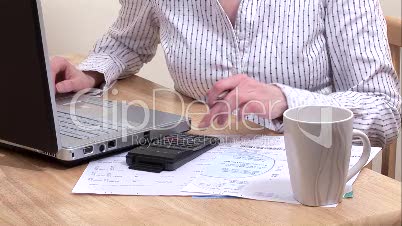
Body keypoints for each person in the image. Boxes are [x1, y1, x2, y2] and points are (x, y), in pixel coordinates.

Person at [51, 0, 401, 147]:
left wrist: (286, 101)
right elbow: (126, 43)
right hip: (195, 162)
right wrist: (90, 73)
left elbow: (385, 110)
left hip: (310, 178)